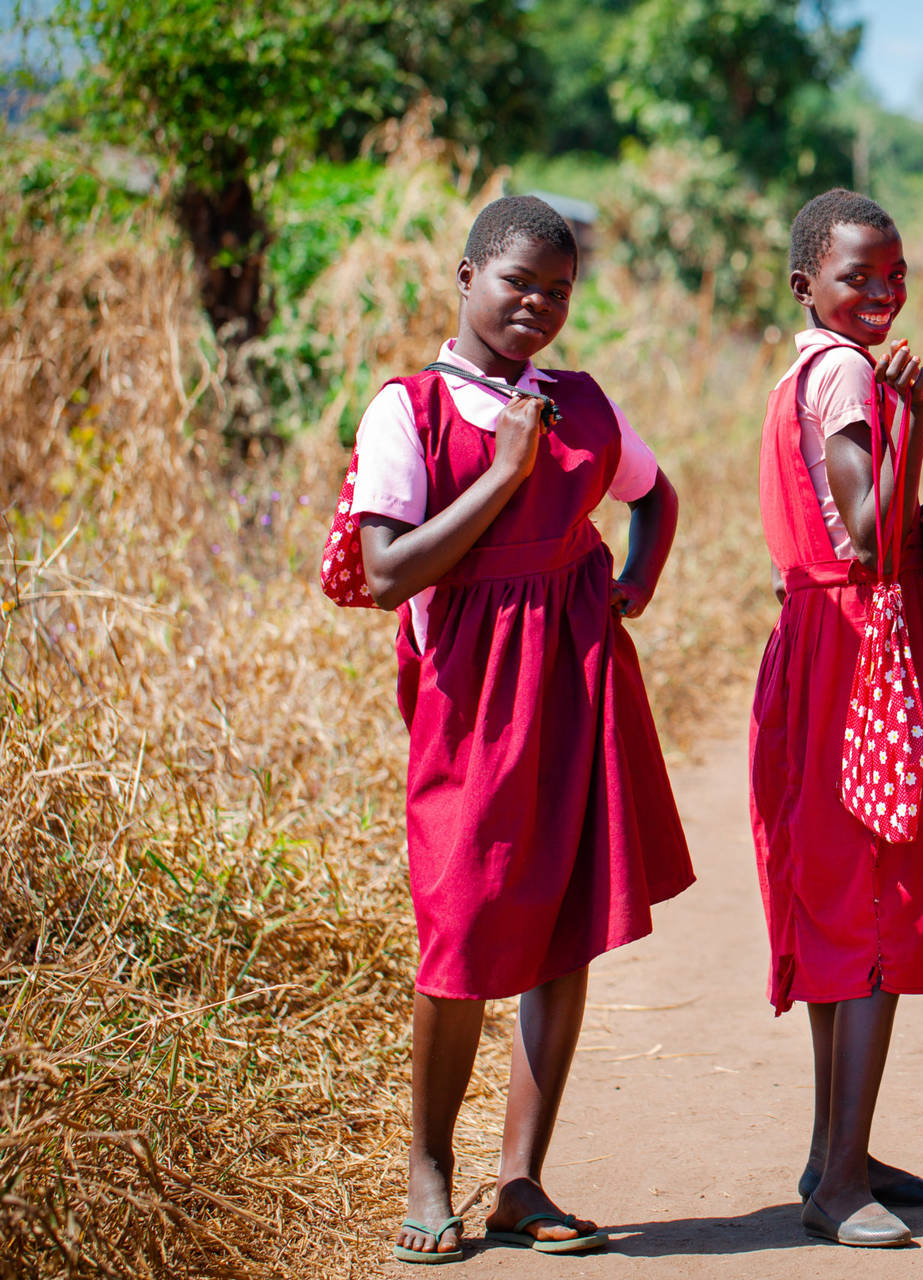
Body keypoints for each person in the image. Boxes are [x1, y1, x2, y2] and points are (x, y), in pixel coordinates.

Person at [349, 195, 694, 1263]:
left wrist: (631, 582)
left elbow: (655, 492)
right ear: (465, 277)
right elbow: (384, 567)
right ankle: (428, 1169)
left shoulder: (578, 403)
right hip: (469, 702)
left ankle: (522, 1180)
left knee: (562, 927)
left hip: (580, 684)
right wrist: (504, 474)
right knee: (457, 935)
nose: (537, 306)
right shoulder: (408, 409)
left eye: (558, 290)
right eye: (516, 284)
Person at [748, 189, 923, 1248]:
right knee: (877, 908)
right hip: (863, 646)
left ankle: (838, 1146)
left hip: (823, 640)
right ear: (808, 286)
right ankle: (840, 1181)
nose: (881, 292)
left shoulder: (803, 369)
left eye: (895, 274)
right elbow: (875, 527)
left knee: (844, 902)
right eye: (857, 277)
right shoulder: (845, 373)